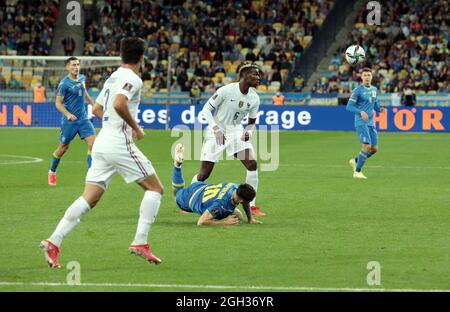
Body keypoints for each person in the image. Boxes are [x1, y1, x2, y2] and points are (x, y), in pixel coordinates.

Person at [40, 37, 164, 268]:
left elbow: (97, 109)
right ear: (142, 58)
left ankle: (53, 242)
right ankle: (140, 242)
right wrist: (135, 127)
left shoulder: (113, 76)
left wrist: (119, 123)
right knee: (156, 188)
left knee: (90, 198)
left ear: (121, 56)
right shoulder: (133, 78)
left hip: (102, 140)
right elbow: (118, 104)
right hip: (118, 142)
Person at [192, 62, 266, 217]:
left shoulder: (254, 98)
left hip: (236, 131)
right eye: (255, 74)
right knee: (204, 174)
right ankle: (190, 196)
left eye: (259, 75)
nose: (259, 78)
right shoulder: (226, 90)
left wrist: (249, 131)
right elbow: (206, 109)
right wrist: (215, 128)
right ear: (245, 75)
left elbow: (251, 123)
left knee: (251, 164)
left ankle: (251, 205)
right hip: (217, 130)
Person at [172, 144, 262, 225]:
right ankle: (177, 166)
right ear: (242, 201)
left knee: (239, 216)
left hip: (202, 186)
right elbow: (201, 222)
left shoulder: (235, 186)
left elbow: (244, 202)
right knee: (177, 194)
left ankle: (179, 166)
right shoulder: (220, 205)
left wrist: (250, 219)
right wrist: (224, 223)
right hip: (190, 198)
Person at [48, 57, 97, 186]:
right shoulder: (64, 84)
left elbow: (84, 92)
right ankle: (52, 171)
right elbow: (58, 104)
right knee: (63, 147)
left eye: (78, 64)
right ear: (68, 67)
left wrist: (93, 104)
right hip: (69, 121)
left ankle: (91, 175)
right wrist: (68, 114)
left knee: (93, 144)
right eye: (73, 65)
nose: (76, 67)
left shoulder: (82, 78)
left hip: (84, 119)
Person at [346, 68, 386, 179]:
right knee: (367, 147)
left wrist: (380, 109)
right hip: (361, 122)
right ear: (362, 77)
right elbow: (349, 106)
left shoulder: (374, 89)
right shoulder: (357, 90)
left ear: (372, 77)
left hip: (371, 122)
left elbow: (375, 103)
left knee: (374, 149)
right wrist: (360, 112)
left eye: (369, 75)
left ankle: (355, 161)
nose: (367, 77)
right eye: (365, 75)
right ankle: (357, 172)